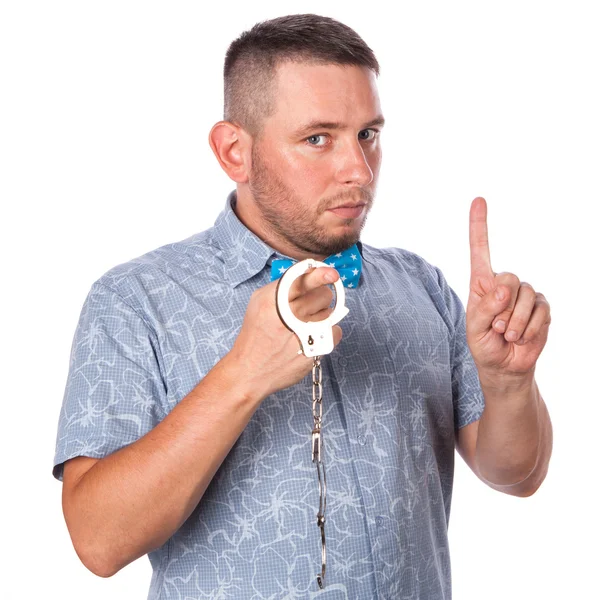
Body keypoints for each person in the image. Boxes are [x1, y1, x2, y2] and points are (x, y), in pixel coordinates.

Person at [53, 13, 553, 599]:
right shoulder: (135, 300)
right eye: (318, 138)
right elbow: (97, 542)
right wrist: (243, 376)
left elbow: (517, 475)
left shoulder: (422, 287)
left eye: (368, 134)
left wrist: (508, 383)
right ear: (234, 151)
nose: (358, 171)